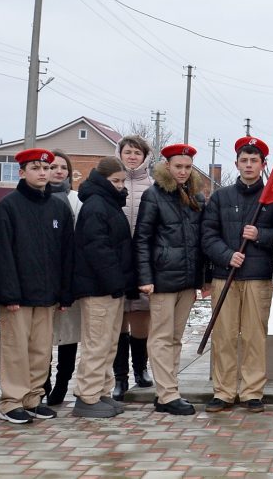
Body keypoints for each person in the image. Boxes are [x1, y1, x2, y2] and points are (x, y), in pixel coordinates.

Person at [0, 148, 75, 425]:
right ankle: (11, 401)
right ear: (22, 172)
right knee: (16, 349)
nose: (42, 173)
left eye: (46, 168)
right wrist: (9, 292)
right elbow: (1, 253)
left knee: (41, 350)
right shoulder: (9, 206)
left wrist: (64, 292)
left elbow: (66, 253)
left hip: (47, 294)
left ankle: (33, 398)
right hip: (18, 296)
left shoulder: (58, 207)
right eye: (36, 168)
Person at [201, 137, 273, 414]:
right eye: (244, 160)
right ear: (236, 164)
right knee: (223, 336)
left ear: (263, 164)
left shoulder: (272, 199)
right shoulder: (221, 197)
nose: (249, 165)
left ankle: (252, 391)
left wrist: (260, 235)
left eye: (254, 160)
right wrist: (226, 255)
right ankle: (223, 391)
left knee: (253, 336)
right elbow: (208, 235)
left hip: (258, 277)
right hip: (226, 276)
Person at [134, 143, 206, 416]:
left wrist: (202, 278)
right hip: (162, 279)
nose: (183, 172)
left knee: (176, 337)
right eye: (178, 167)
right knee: (161, 337)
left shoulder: (196, 197)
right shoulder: (153, 196)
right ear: (167, 166)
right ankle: (167, 394)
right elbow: (142, 238)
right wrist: (145, 276)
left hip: (187, 280)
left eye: (187, 167)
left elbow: (200, 241)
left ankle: (169, 387)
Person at [70, 157, 136, 418]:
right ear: (102, 179)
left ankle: (101, 392)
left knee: (109, 343)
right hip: (99, 288)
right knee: (97, 343)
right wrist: (115, 282)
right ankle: (87, 396)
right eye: (115, 181)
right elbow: (98, 249)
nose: (120, 186)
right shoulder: (97, 205)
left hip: (111, 287)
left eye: (122, 181)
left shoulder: (109, 203)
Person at [113, 134, 154, 400]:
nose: (132, 157)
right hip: (117, 260)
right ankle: (120, 378)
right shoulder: (111, 183)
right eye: (127, 152)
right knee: (118, 321)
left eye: (137, 153)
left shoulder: (152, 186)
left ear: (145, 156)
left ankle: (140, 369)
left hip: (142, 260)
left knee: (141, 317)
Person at [44, 150, 81, 406]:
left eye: (63, 167)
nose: (58, 171)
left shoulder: (78, 200)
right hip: (43, 281)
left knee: (68, 336)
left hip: (71, 277)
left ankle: (62, 384)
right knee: (42, 338)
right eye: (53, 167)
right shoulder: (35, 200)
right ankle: (41, 384)